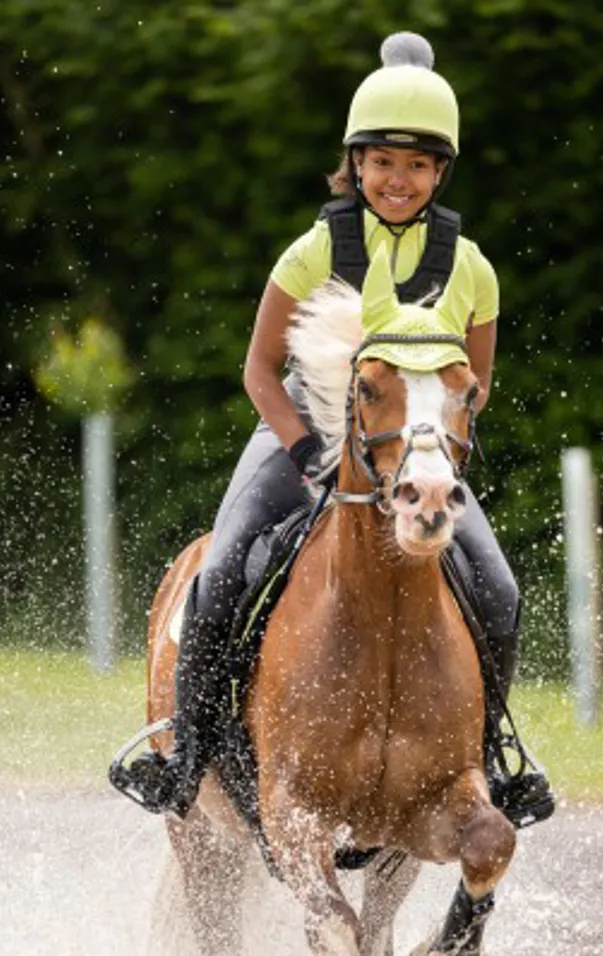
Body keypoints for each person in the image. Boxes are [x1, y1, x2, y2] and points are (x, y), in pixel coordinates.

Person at [116, 31, 554, 824]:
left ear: (440, 173)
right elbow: (256, 373)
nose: (398, 178)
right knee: (220, 577)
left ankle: (493, 754)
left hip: (405, 452)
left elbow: (476, 385)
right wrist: (310, 449)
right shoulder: (315, 251)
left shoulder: (473, 267)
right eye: (382, 161)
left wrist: (422, 446)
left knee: (499, 587)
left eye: (418, 164)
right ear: (355, 164)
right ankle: (185, 758)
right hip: (303, 434)